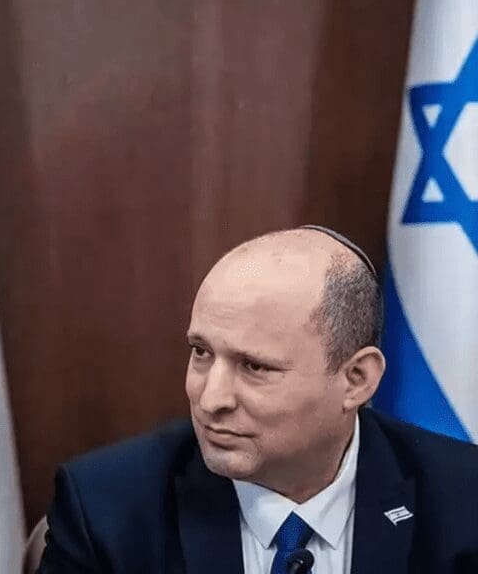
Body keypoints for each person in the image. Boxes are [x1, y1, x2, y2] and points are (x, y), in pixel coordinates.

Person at [37, 227, 478, 573]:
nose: (211, 399)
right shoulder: (106, 508)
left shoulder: (464, 500)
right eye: (201, 352)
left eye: (254, 366)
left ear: (356, 380)